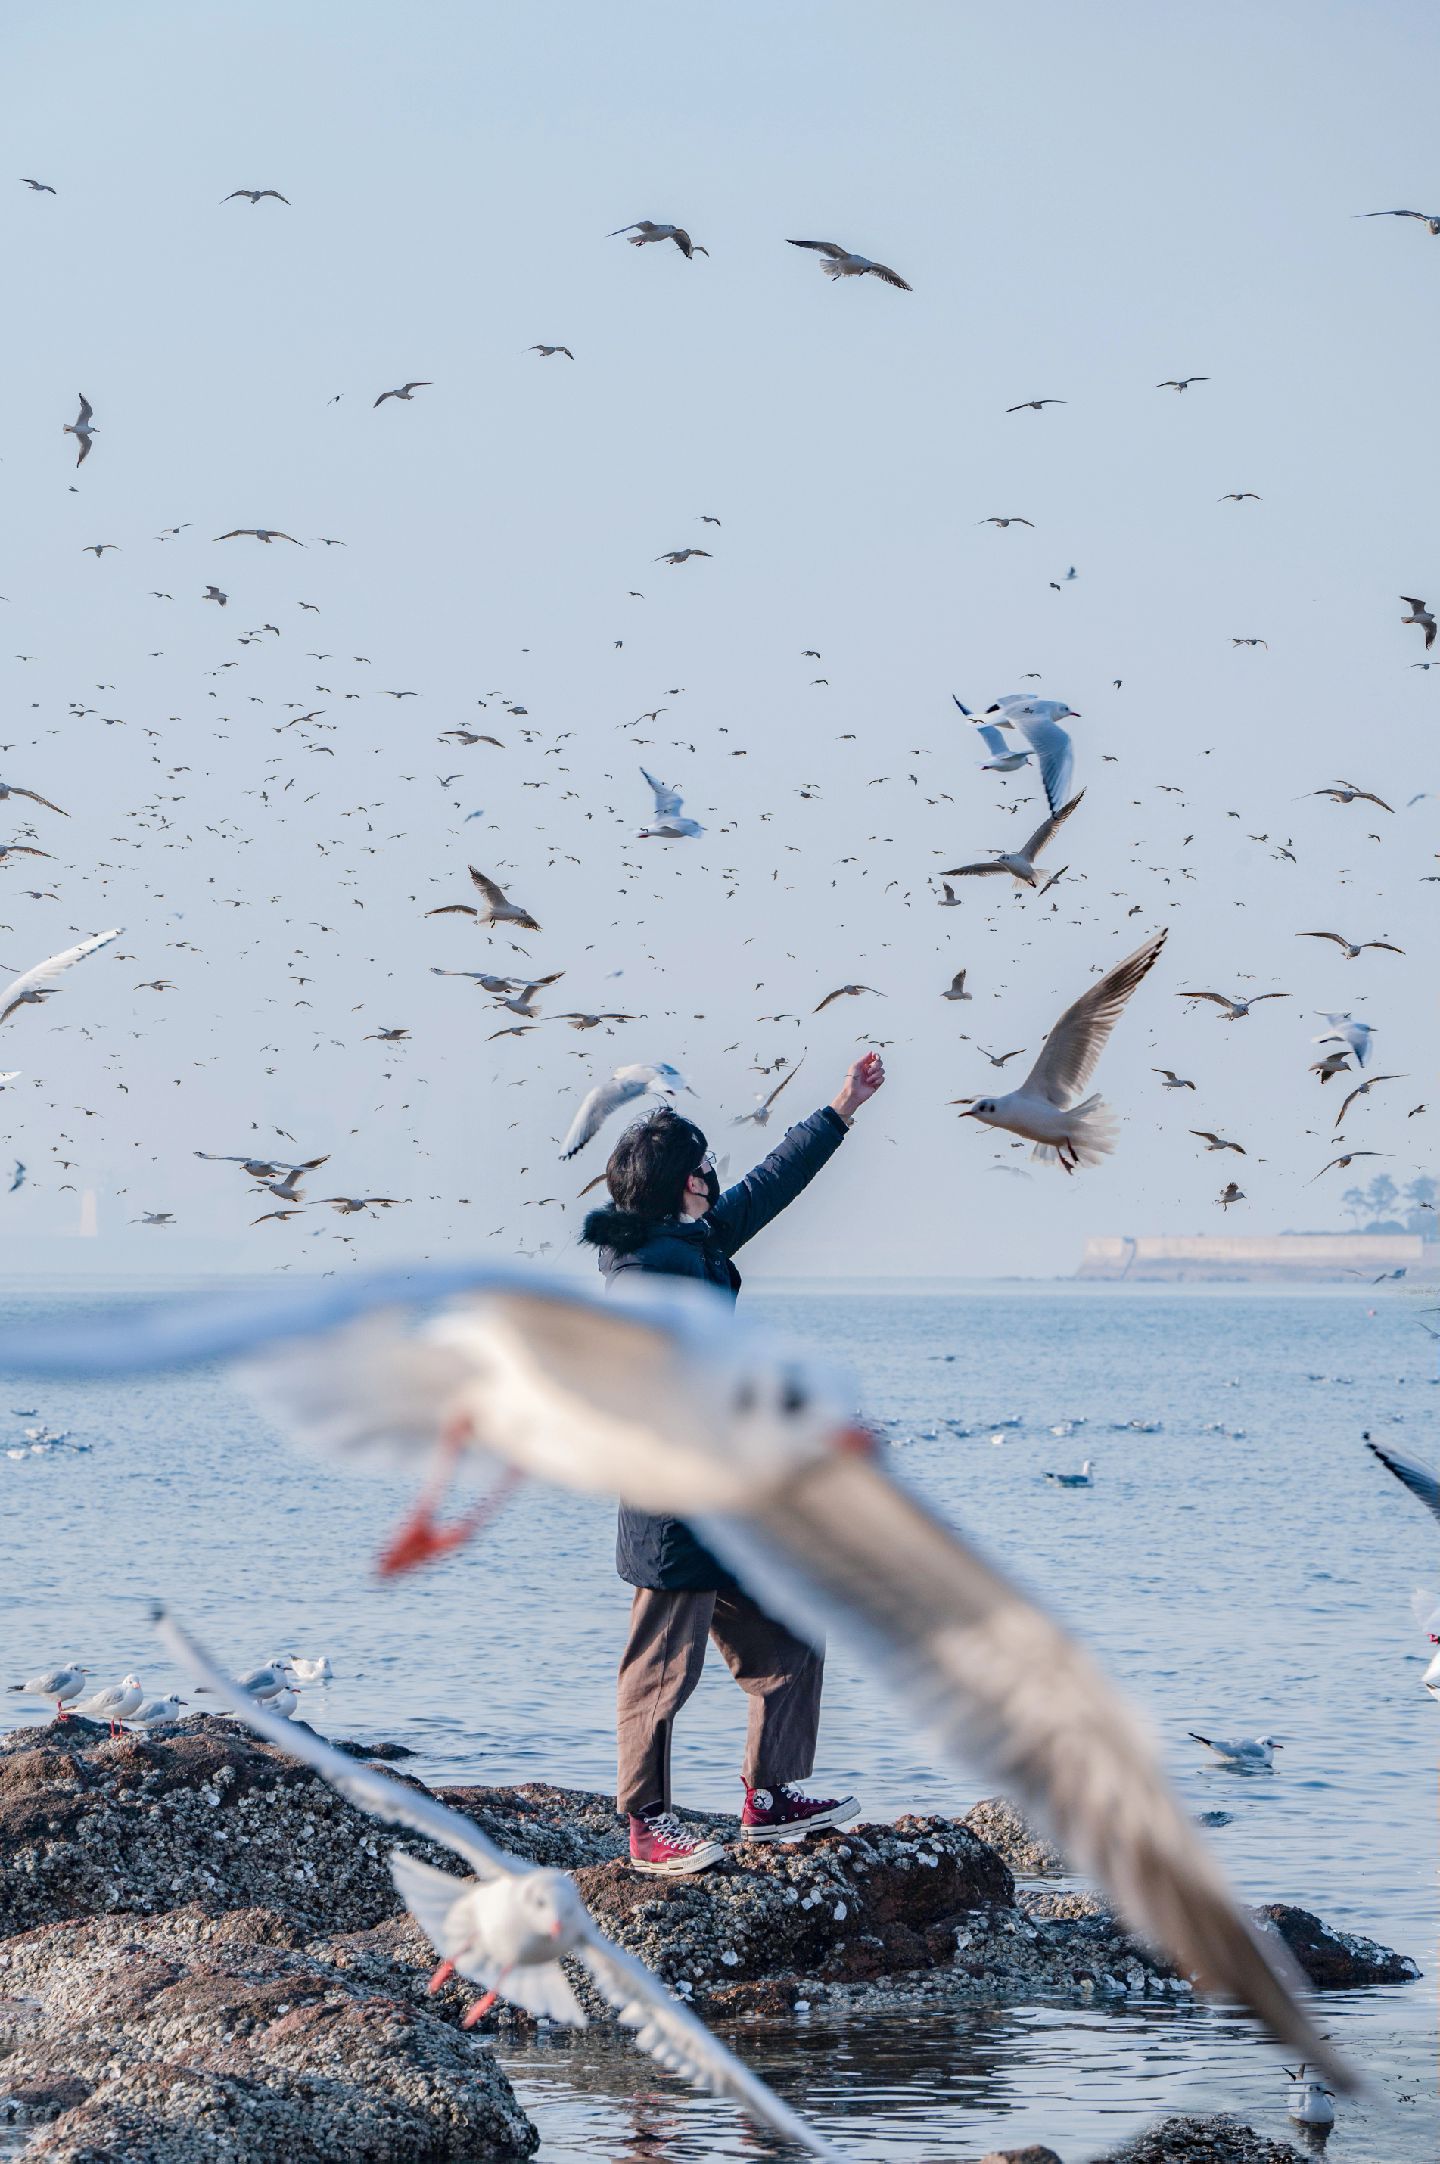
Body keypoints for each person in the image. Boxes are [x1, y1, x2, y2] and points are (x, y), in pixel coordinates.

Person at [580, 1052, 886, 1874]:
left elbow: (771, 1185)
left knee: (791, 1636)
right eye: (706, 1164)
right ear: (686, 1180)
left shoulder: (697, 1240)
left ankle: (769, 1798)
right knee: (660, 1672)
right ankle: (646, 1826)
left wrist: (840, 1108)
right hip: (673, 1507)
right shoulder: (643, 1273)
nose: (716, 1174)